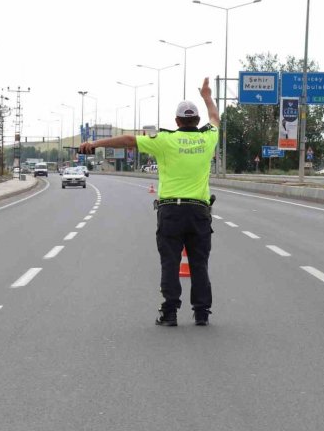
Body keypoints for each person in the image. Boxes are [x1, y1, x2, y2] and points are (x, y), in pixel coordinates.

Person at [80, 77, 220, 326]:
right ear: (196, 121)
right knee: (199, 264)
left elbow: (128, 140)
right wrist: (207, 96)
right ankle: (201, 313)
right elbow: (215, 119)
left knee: (170, 262)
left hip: (171, 212)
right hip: (199, 212)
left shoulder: (165, 140)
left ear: (176, 121)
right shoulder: (208, 138)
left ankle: (170, 313)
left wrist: (95, 144)